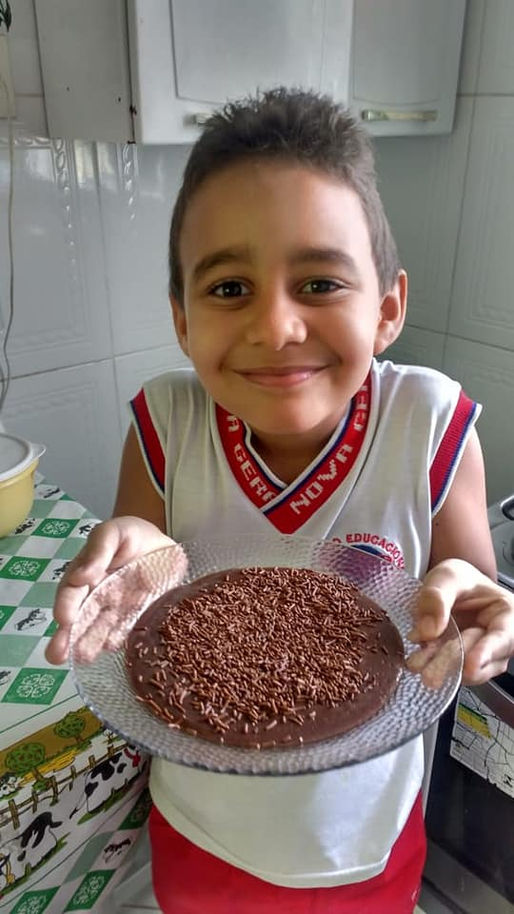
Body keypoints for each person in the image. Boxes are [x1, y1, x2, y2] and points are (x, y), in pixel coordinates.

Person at [46, 88, 514, 914]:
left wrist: (481, 607)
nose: (276, 325)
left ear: (389, 308)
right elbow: (147, 564)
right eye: (228, 288)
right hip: (201, 827)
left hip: (368, 841)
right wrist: (131, 541)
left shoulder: (432, 424)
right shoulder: (165, 424)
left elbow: (464, 585)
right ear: (183, 322)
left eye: (320, 281)